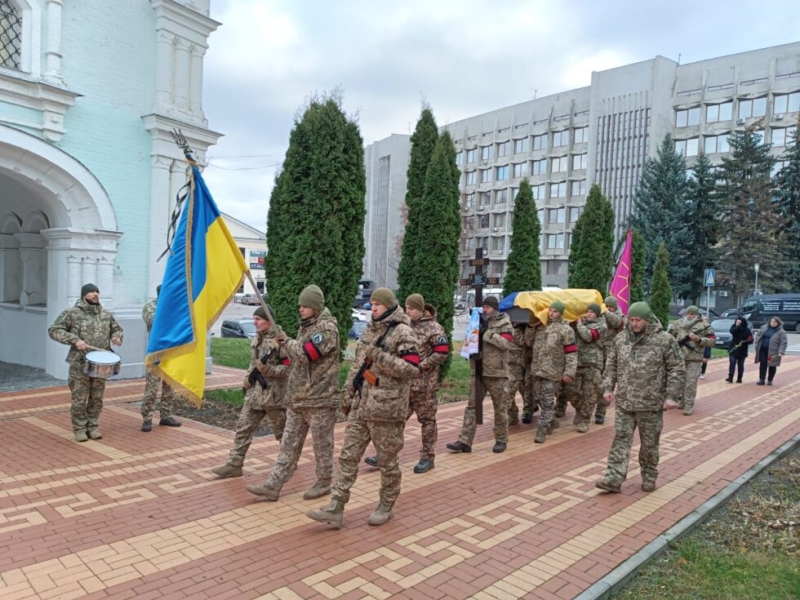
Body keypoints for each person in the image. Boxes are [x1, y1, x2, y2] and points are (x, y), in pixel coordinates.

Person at [307, 288, 419, 528]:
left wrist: (380, 357)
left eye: (378, 304)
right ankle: (335, 507)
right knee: (347, 457)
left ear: (389, 306)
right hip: (361, 406)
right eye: (372, 303)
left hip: (387, 409)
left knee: (387, 462)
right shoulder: (369, 330)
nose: (374, 307)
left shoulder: (403, 332)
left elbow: (411, 368)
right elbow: (359, 366)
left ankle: (386, 505)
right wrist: (348, 392)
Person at [246, 285, 339, 501]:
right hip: (298, 397)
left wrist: (286, 341)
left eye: (305, 305)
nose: (300, 309)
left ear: (315, 306)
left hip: (320, 398)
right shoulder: (306, 327)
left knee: (322, 444)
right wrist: (286, 343)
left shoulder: (326, 329)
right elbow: (296, 356)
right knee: (288, 442)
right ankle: (274, 484)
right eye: (300, 305)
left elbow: (308, 354)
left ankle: (324, 481)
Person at [596, 302, 685, 493]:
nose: (634, 324)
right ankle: (613, 478)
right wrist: (607, 388)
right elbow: (611, 365)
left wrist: (671, 396)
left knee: (649, 444)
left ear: (648, 319)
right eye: (632, 320)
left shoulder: (664, 340)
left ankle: (649, 476)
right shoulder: (621, 339)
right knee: (620, 439)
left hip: (651, 403)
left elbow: (676, 368)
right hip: (625, 402)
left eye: (638, 320)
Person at [364, 294, 448, 474]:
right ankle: (385, 454)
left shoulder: (435, 328)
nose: (407, 311)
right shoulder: (405, 327)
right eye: (406, 308)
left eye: (411, 309)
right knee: (396, 421)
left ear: (421, 309)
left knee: (427, 421)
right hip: (404, 385)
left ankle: (427, 457)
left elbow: (442, 352)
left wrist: (421, 366)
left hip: (424, 386)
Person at [211, 305, 290, 478]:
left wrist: (269, 370)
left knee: (282, 433)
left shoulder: (281, 341)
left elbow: (289, 369)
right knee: (243, 428)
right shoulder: (258, 338)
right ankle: (234, 464)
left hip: (274, 396)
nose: (254, 322)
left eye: (258, 319)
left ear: (269, 321)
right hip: (255, 394)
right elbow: (253, 364)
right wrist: (247, 379)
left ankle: (288, 463)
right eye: (254, 318)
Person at [48, 283, 123, 442]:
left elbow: (117, 329)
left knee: (97, 397)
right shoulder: (72, 313)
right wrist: (74, 340)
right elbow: (54, 330)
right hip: (80, 362)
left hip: (101, 363)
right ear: (84, 295)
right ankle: (80, 429)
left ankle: (93, 426)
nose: (95, 294)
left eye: (97, 291)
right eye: (91, 292)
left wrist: (117, 337)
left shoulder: (105, 314)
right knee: (80, 398)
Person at [446, 296, 514, 454]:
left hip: (496, 373)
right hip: (478, 371)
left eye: (488, 307)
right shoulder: (478, 322)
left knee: (500, 408)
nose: (485, 310)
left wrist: (486, 333)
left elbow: (505, 344)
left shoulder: (504, 323)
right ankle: (464, 441)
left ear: (495, 309)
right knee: (472, 407)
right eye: (483, 307)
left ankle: (501, 439)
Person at [532, 301, 578, 443]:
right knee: (536, 396)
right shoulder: (542, 326)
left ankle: (542, 430)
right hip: (538, 369)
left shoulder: (566, 330)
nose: (551, 313)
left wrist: (569, 372)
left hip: (553, 370)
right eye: (550, 311)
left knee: (547, 401)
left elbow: (571, 353)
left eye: (555, 311)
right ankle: (551, 421)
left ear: (561, 313)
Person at [141, 285, 182, 431]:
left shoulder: (175, 307)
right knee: (152, 388)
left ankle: (166, 416)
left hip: (170, 353)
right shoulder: (150, 306)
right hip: (156, 354)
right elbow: (152, 320)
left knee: (169, 387)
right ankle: (147, 418)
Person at [563, 303, 607, 433]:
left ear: (597, 314)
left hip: (592, 364)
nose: (589, 314)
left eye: (592, 312)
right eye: (587, 312)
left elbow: (588, 336)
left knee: (590, 394)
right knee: (571, 390)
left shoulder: (601, 326)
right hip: (578, 363)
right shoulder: (581, 323)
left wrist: (579, 324)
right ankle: (580, 411)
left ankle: (585, 420)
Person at [668, 306, 715, 415]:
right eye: (688, 313)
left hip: (695, 358)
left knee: (691, 382)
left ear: (696, 315)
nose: (689, 316)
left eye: (692, 314)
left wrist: (699, 340)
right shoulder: (679, 323)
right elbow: (669, 336)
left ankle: (688, 405)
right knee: (680, 381)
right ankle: (682, 401)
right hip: (679, 357)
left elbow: (712, 341)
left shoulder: (704, 325)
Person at [595, 296, 625, 425]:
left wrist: (604, 311)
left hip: (611, 357)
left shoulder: (620, 317)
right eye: (605, 306)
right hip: (597, 355)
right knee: (594, 384)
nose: (607, 309)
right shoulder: (600, 316)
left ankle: (601, 412)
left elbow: (616, 323)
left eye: (610, 307)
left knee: (606, 385)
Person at [507, 321, 534, 426]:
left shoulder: (528, 326)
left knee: (527, 385)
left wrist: (518, 327)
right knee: (510, 388)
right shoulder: (506, 323)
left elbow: (525, 341)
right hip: (513, 363)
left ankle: (528, 410)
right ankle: (512, 413)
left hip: (528, 360)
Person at [754, 317, 788, 386]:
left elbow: (783, 342)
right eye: (772, 321)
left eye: (775, 322)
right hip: (763, 350)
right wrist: (757, 342)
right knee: (763, 364)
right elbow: (758, 335)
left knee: (772, 365)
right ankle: (761, 379)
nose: (773, 323)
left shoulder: (781, 331)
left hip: (773, 352)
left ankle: (770, 380)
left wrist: (781, 351)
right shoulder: (764, 328)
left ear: (778, 323)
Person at [725, 316, 753, 384]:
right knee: (732, 362)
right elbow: (732, 331)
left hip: (742, 349)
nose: (737, 323)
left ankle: (739, 378)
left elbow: (751, 340)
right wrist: (738, 327)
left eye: (739, 323)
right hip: (733, 347)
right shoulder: (734, 327)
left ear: (743, 323)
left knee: (740, 364)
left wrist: (745, 342)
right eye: (737, 322)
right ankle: (730, 377)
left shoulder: (747, 330)